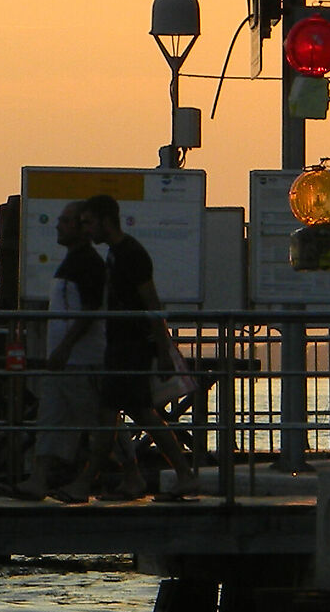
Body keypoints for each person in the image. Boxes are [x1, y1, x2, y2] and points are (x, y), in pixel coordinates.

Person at [81, 191, 199, 501]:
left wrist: (163, 352)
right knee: (129, 414)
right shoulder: (115, 254)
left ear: (106, 221)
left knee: (128, 414)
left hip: (130, 348)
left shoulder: (131, 254)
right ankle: (141, 477)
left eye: (90, 223)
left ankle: (178, 475)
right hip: (119, 345)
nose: (87, 229)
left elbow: (151, 304)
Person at [13, 202, 111, 502]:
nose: (58, 225)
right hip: (62, 361)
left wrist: (66, 346)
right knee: (50, 418)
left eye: (66, 221)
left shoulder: (89, 264)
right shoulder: (70, 262)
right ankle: (38, 479)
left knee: (94, 420)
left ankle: (123, 471)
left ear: (82, 227)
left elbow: (90, 312)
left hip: (82, 360)